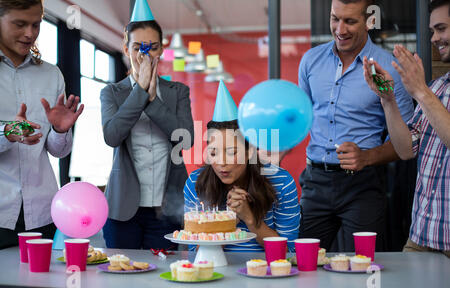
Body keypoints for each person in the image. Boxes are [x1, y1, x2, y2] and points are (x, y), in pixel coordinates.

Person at [297, 0, 414, 251]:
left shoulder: (389, 69)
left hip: (363, 185)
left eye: (350, 21)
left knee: (363, 269)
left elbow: (408, 143)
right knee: (303, 264)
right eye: (334, 18)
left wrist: (367, 156)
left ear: (370, 21)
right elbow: (302, 119)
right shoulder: (310, 61)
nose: (340, 29)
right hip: (315, 182)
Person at [100, 1, 194, 249]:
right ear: (125, 48)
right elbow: (112, 136)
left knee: (165, 275)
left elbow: (186, 139)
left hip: (167, 206)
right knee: (121, 273)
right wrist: (140, 92)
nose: (145, 55)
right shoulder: (112, 93)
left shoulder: (178, 91)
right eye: (137, 48)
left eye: (152, 48)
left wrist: (152, 101)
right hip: (123, 206)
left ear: (161, 49)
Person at [363, 0, 450, 258]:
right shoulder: (438, 88)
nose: (434, 38)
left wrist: (420, 91)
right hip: (420, 237)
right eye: (432, 31)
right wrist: (387, 99)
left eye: (441, 28)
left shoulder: (427, 92)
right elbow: (405, 150)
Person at [0, 0, 83, 249]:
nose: (30, 33)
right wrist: (7, 132)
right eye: (20, 24)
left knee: (41, 286)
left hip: (42, 213)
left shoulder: (51, 74)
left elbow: (58, 151)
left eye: (36, 24)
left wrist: (60, 130)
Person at [184, 81, 300, 252]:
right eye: (214, 153)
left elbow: (289, 251)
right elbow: (197, 252)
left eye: (231, 152)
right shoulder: (196, 182)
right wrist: (229, 220)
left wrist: (250, 219)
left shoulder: (281, 181)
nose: (221, 163)